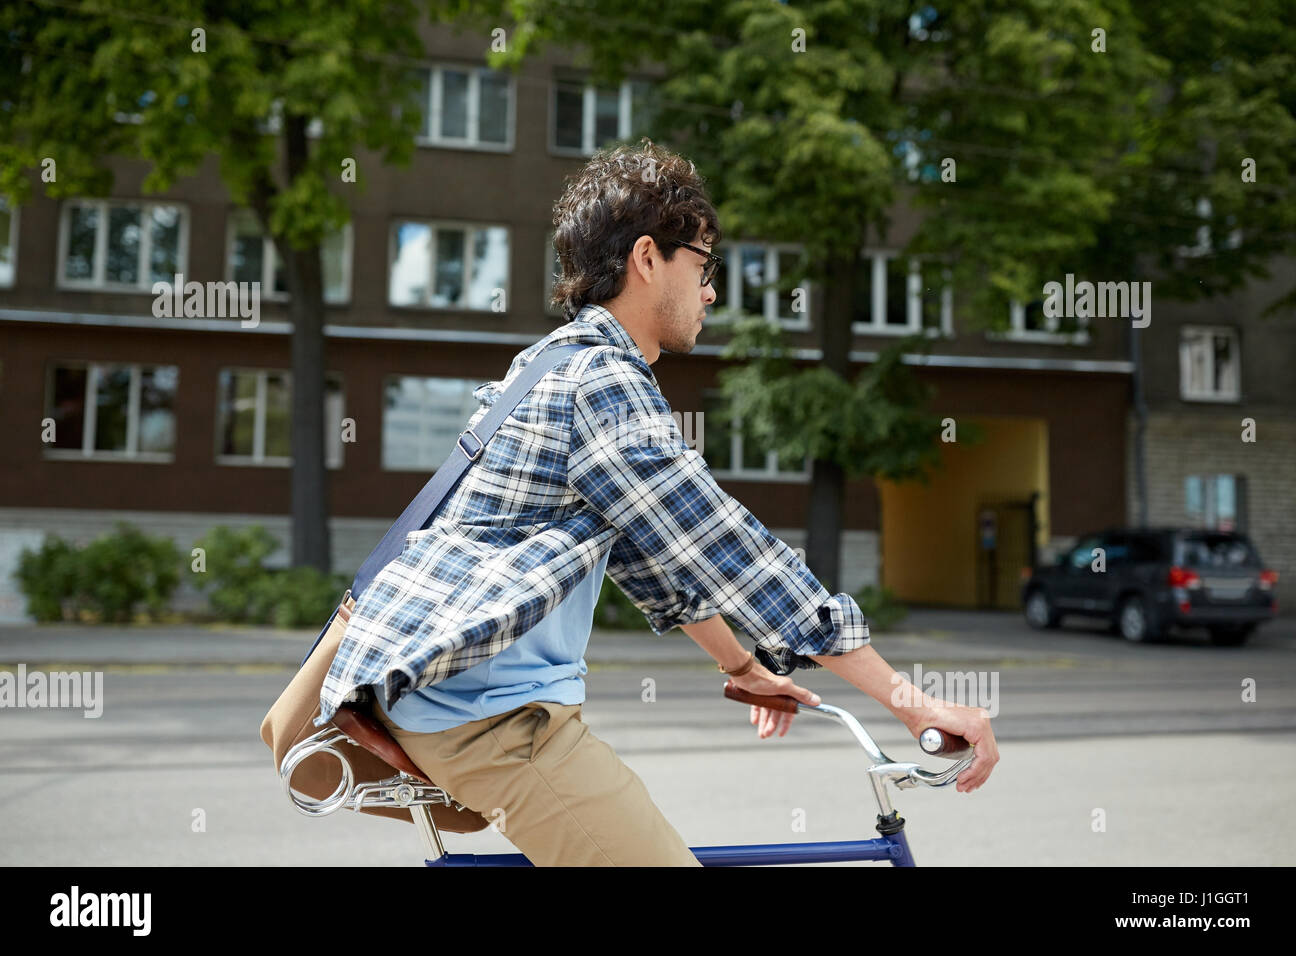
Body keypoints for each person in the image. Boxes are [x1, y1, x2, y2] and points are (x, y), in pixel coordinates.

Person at [320, 138, 998, 866]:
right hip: (488, 718)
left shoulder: (553, 361)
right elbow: (724, 546)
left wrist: (739, 665)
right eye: (703, 268)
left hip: (459, 698)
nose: (711, 292)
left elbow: (656, 554)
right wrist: (912, 702)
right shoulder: (602, 385)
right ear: (648, 258)